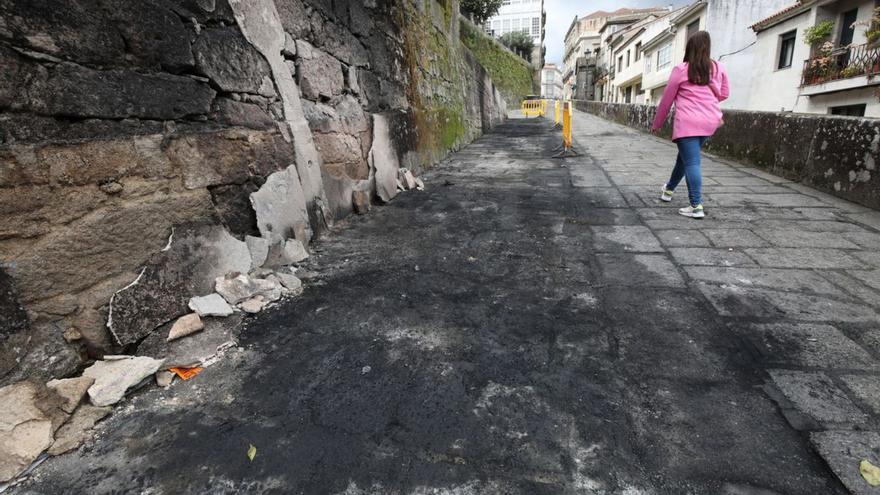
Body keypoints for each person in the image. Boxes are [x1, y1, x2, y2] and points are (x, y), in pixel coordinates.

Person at [651, 31, 729, 219]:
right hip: (710, 121)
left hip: (688, 123)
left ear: (689, 49)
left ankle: (696, 205)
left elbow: (667, 99)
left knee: (692, 162)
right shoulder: (718, 68)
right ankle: (668, 190)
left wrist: (657, 123)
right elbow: (724, 93)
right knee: (684, 159)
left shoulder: (681, 70)